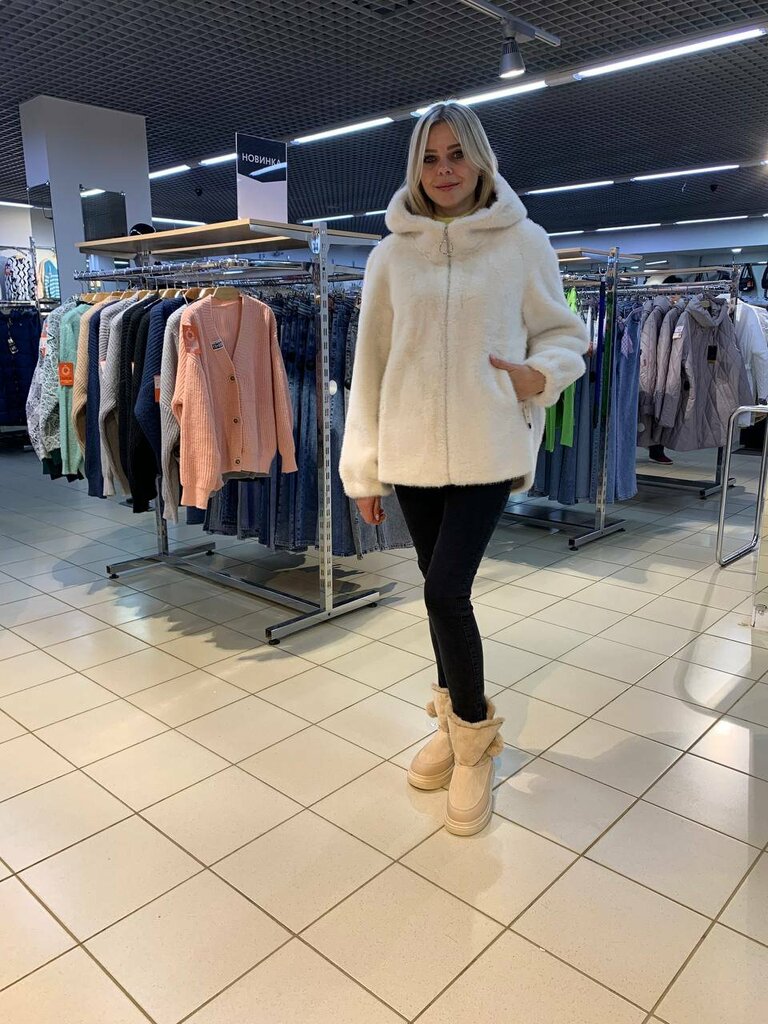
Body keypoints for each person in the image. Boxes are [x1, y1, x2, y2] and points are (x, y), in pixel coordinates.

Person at [339, 101, 588, 836]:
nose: (444, 170)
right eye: (430, 157)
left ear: (481, 159)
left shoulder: (524, 242)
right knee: (435, 591)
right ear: (415, 167)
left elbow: (565, 333)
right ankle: (452, 726)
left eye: (456, 154)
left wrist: (539, 374)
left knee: (446, 591)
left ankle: (474, 740)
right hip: (411, 452)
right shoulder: (390, 257)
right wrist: (365, 469)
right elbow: (369, 365)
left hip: (488, 447)